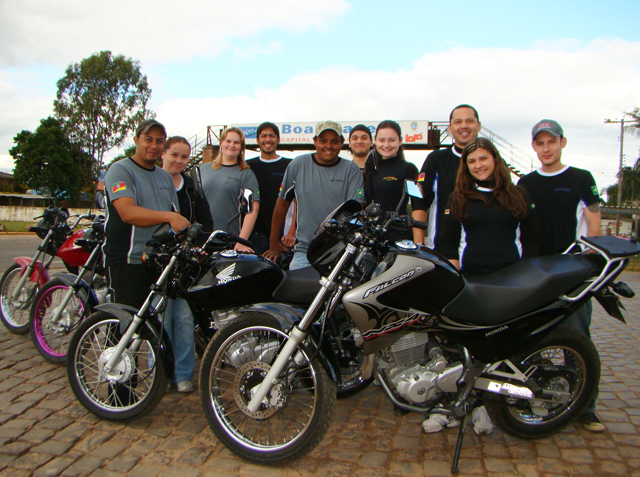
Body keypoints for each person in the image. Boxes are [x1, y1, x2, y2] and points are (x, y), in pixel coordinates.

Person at [518, 119, 604, 432]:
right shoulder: (525, 183)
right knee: (531, 338)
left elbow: (593, 222)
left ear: (562, 143)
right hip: (537, 275)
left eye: (551, 142)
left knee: (577, 340)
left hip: (574, 272)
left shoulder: (582, 178)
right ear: (534, 147)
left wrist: (590, 264)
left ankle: (586, 407)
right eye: (540, 143)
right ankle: (532, 397)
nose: (546, 149)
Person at [103, 119, 190, 308]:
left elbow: (175, 220)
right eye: (148, 139)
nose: (154, 146)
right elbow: (127, 213)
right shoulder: (120, 170)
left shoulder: (165, 177)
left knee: (152, 327)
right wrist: (169, 217)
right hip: (127, 262)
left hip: (157, 263)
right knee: (123, 325)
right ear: (136, 140)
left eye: (159, 141)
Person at [264, 120, 365, 270]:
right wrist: (273, 244)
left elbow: (357, 211)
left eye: (334, 141)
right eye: (323, 141)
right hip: (304, 252)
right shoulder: (298, 165)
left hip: (341, 252)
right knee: (298, 291)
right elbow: (282, 203)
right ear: (315, 141)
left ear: (342, 142)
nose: (328, 146)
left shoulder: (352, 170)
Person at [438, 138, 540, 275]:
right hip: (470, 277)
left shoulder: (519, 194)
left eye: (483, 159)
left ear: (495, 159)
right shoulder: (458, 198)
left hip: (514, 277)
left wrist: (526, 273)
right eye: (472, 161)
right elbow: (448, 242)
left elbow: (532, 238)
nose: (478, 165)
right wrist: (455, 277)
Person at [161, 136, 213, 393]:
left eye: (184, 157)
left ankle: (182, 374)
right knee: (161, 317)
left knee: (183, 318)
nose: (179, 161)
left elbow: (206, 221)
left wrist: (199, 248)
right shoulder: (154, 182)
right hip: (159, 259)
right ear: (164, 154)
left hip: (184, 262)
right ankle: (161, 372)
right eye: (174, 155)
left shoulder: (192, 186)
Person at [416, 104, 482, 248]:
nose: (464, 126)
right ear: (450, 128)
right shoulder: (435, 159)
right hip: (442, 251)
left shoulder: (492, 162)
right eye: (458, 122)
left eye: (469, 121)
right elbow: (419, 202)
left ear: (479, 126)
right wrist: (419, 246)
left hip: (480, 253)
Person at [364, 120, 426, 242]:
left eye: (391, 140)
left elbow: (418, 205)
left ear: (400, 141)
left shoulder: (409, 169)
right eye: (382, 140)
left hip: (398, 236)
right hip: (371, 237)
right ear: (375, 140)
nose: (386, 145)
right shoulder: (369, 170)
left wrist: (419, 244)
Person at [200, 127, 260, 252]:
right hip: (202, 240)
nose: (231, 145)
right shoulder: (203, 169)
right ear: (221, 143)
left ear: (241, 147)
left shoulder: (246, 174)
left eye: (236, 142)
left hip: (228, 242)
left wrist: (241, 241)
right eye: (228, 141)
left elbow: (252, 210)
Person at [246, 122, 295, 255]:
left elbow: (298, 201)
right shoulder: (248, 166)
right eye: (264, 136)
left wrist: (292, 231)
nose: (268, 140)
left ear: (278, 140)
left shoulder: (289, 165)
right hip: (255, 236)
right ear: (257, 140)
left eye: (272, 136)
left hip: (283, 236)